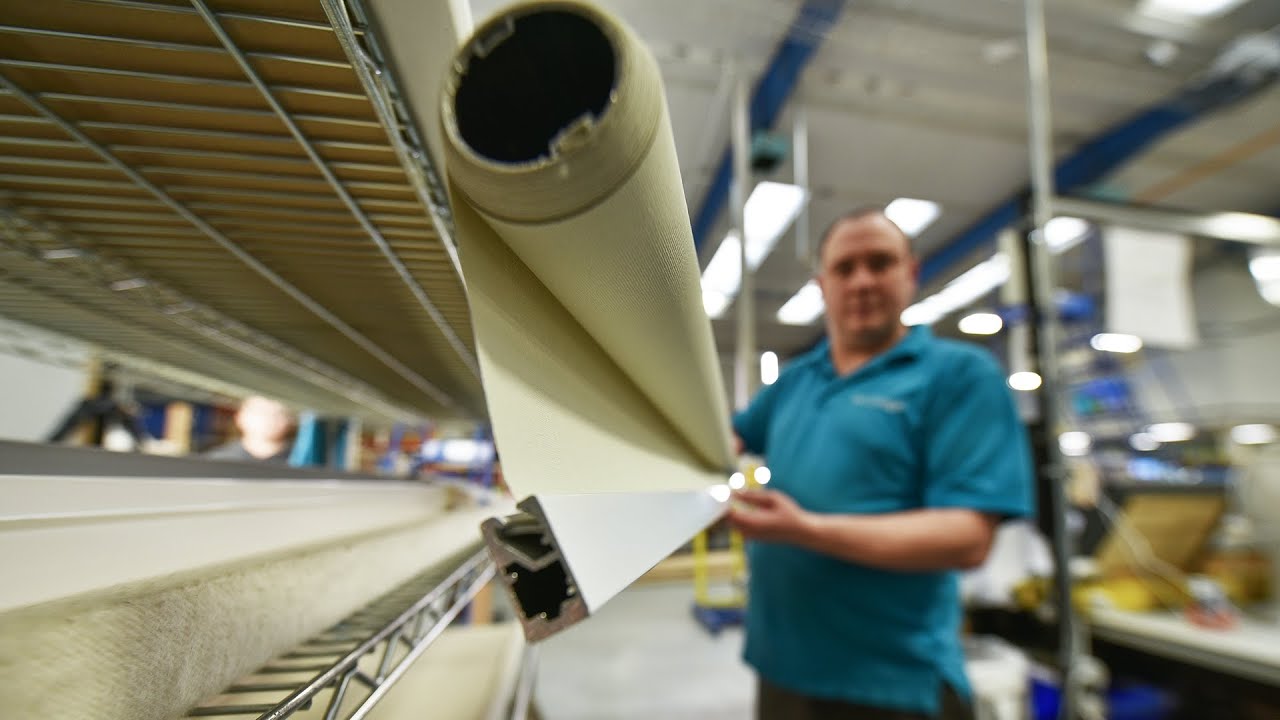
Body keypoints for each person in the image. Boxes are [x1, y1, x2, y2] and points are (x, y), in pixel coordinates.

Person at [728, 207, 1035, 720]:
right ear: (821, 285)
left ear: (910, 273)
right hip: (780, 669)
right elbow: (725, 442)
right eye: (845, 269)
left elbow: (966, 537)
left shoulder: (957, 377)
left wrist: (806, 529)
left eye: (880, 263)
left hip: (889, 682)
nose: (863, 281)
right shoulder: (795, 381)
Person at [203, 395, 296, 464]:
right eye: (260, 412)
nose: (269, 419)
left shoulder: (303, 461)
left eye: (279, 413)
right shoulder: (217, 461)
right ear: (240, 417)